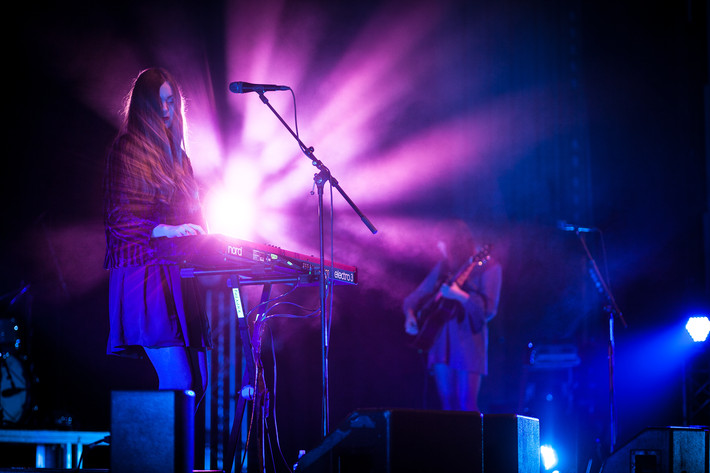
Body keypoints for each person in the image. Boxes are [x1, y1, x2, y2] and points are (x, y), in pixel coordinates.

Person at [103, 67, 211, 406]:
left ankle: (170, 458)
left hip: (178, 273)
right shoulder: (128, 149)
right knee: (180, 380)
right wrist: (165, 229)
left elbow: (195, 220)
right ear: (145, 106)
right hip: (145, 273)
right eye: (161, 102)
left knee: (200, 381)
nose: (168, 110)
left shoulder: (179, 158)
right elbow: (118, 217)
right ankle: (161, 460)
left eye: (172, 102)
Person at [403, 220, 502, 412]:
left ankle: (473, 442)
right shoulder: (443, 267)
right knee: (447, 404)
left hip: (468, 340)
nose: (439, 247)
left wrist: (459, 295)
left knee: (466, 403)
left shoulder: (488, 266)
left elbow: (489, 310)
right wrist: (410, 314)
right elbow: (414, 297)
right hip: (439, 340)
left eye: (442, 242)